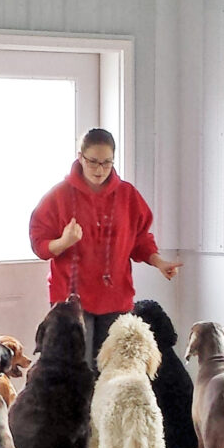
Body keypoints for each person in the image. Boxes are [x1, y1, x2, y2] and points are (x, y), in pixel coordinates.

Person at [29, 129, 183, 368]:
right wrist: (63, 242)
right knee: (76, 371)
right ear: (80, 157)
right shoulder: (58, 196)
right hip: (71, 300)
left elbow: (140, 239)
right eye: (93, 162)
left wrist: (158, 262)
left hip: (116, 299)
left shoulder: (128, 195)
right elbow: (39, 244)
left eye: (106, 162)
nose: (99, 170)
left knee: (113, 371)